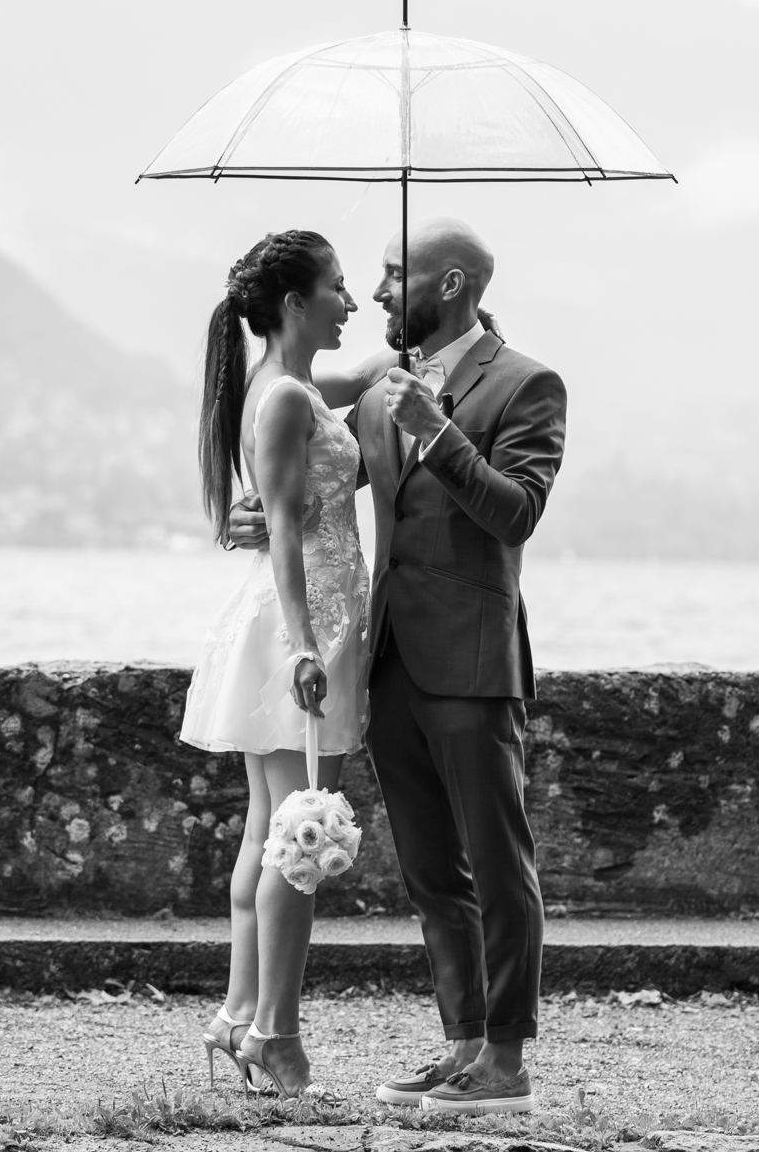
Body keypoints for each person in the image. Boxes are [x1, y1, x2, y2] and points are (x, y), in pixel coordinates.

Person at [231, 218, 567, 1116]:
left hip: (473, 657)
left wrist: (444, 433)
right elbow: (324, 488)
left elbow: (516, 513)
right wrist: (266, 516)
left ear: (450, 284)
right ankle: (461, 1044)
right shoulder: (380, 396)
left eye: (391, 274)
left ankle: (507, 1060)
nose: (377, 292)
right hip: (390, 659)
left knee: (499, 864)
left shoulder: (527, 383)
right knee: (431, 872)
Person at [181, 229, 384, 1101]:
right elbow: (290, 532)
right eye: (338, 288)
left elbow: (373, 376)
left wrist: (444, 337)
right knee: (304, 835)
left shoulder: (291, 387)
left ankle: (239, 1014)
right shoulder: (286, 399)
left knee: (271, 828)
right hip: (310, 628)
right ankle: (278, 1034)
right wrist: (306, 645)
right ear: (296, 303)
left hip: (305, 622)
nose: (351, 301)